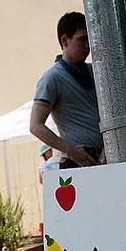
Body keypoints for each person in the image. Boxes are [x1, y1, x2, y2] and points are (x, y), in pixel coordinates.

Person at [29, 12, 103, 169]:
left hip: (103, 158)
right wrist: (70, 150)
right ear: (64, 41)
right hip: (76, 163)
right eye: (82, 39)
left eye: (89, 39)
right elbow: (35, 126)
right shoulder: (52, 78)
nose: (87, 45)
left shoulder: (95, 72)